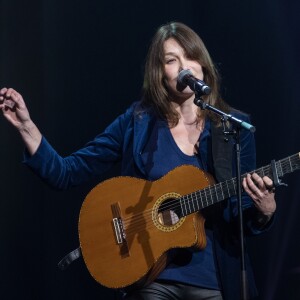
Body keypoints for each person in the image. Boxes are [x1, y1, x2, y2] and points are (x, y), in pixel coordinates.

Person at [0, 22, 276, 300]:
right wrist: (26, 127)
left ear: (203, 66)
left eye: (191, 57)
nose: (184, 67)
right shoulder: (138, 122)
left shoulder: (232, 129)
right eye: (172, 60)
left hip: (214, 279)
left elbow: (241, 216)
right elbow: (66, 172)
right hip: (152, 276)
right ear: (160, 74)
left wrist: (264, 211)